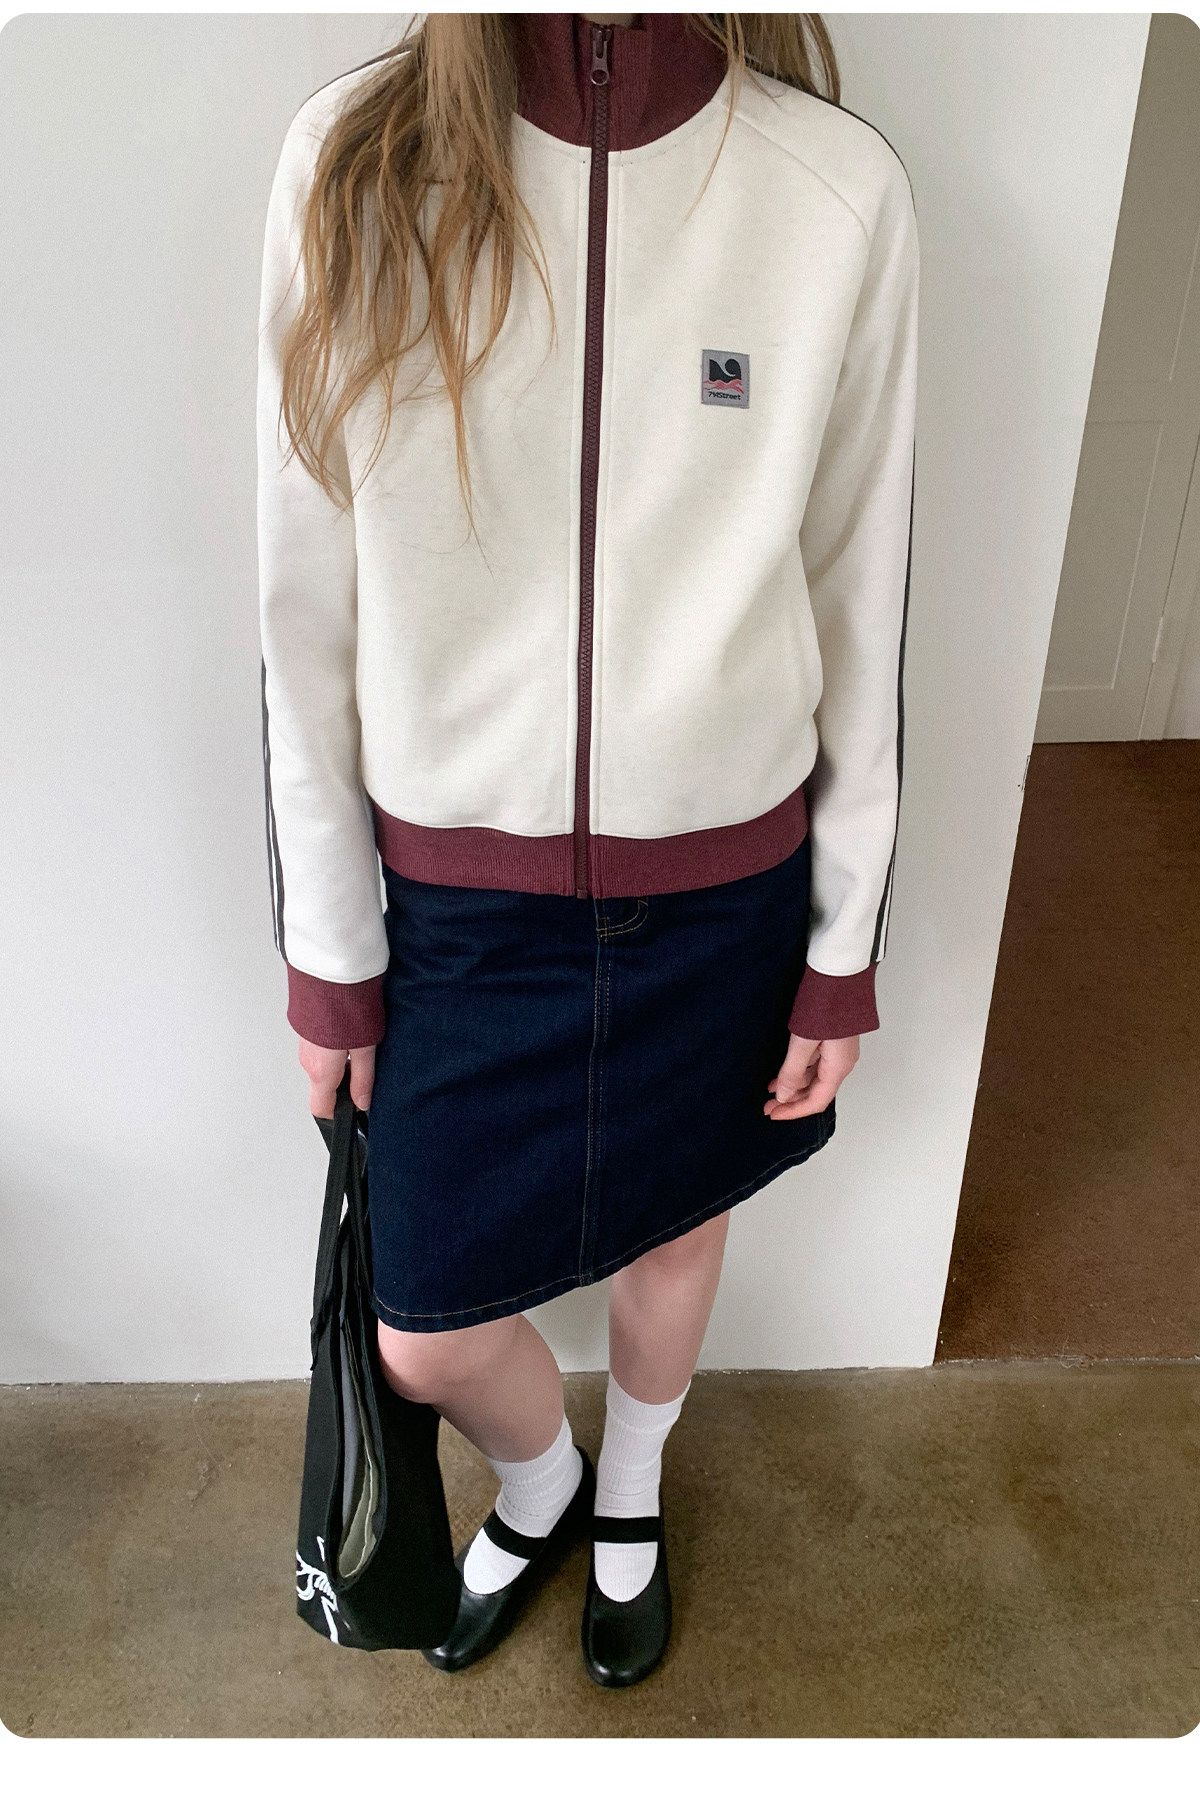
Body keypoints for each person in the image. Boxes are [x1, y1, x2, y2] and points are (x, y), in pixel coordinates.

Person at [257, 11, 917, 1690]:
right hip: (460, 909)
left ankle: (632, 1495)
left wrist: (842, 937)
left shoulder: (832, 187)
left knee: (679, 1227)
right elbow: (302, 604)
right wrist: (331, 951)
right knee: (424, 1326)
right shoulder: (357, 164)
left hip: (728, 888)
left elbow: (861, 586)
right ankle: (543, 1480)